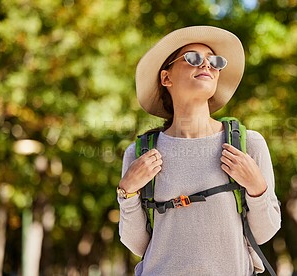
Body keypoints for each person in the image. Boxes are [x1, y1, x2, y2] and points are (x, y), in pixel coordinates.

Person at [117, 25, 281, 276]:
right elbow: (137, 244)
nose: (207, 66)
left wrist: (257, 187)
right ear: (166, 78)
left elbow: (265, 232)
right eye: (193, 58)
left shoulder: (249, 145)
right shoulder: (139, 154)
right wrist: (127, 192)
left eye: (214, 62)